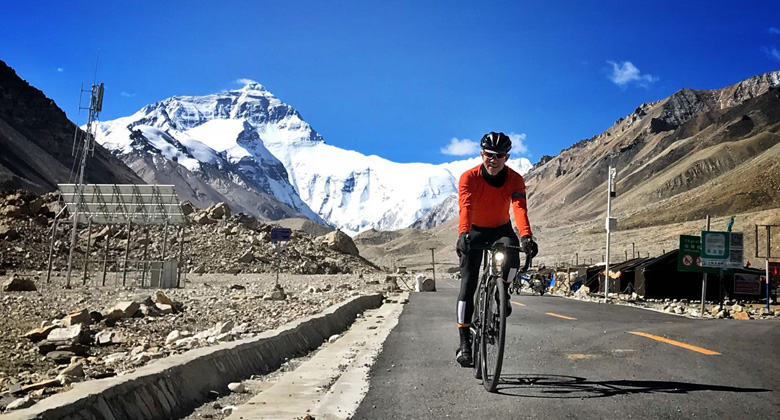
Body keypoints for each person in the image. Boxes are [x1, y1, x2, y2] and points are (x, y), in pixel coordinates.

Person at [454, 131, 538, 367]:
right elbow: (466, 206)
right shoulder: (468, 178)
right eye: (489, 155)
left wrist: (526, 237)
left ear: (507, 157)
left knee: (512, 259)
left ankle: (504, 291)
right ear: (482, 154)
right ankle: (464, 344)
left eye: (499, 155)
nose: (493, 159)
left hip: (501, 229)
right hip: (475, 230)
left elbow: (519, 208)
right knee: (468, 284)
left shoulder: (515, 179)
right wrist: (463, 233)